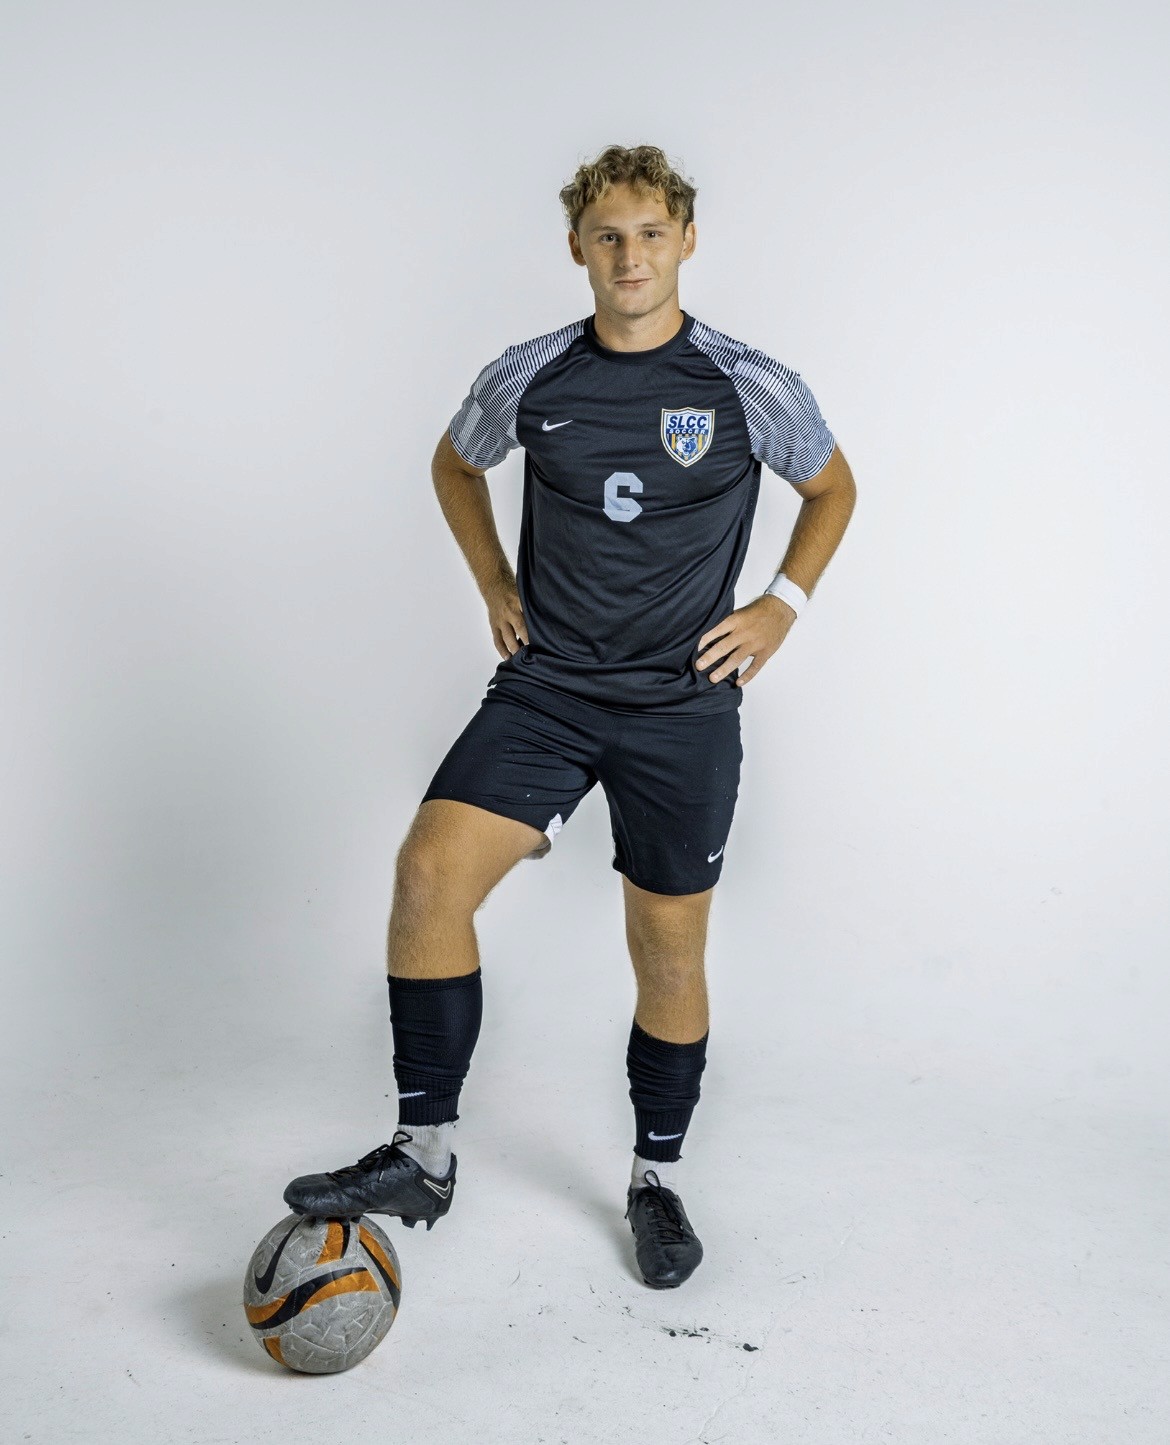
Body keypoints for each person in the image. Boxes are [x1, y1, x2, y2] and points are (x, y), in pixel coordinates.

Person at [284, 143, 856, 1290]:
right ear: (577, 249)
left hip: (682, 705)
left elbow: (832, 487)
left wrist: (781, 606)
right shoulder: (531, 375)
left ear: (686, 241)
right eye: (608, 236)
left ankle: (655, 1177)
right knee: (430, 872)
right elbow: (454, 466)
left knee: (668, 949)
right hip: (549, 689)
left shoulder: (747, 383)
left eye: (650, 233)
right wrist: (494, 581)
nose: (630, 256)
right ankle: (424, 1152)